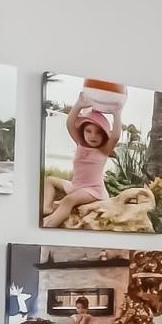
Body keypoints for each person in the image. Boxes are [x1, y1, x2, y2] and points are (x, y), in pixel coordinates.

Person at [42, 91, 120, 228]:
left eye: (98, 132)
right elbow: (70, 124)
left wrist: (116, 113)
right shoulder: (80, 143)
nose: (93, 136)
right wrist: (79, 104)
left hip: (93, 191)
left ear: (103, 136)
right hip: (76, 186)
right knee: (50, 180)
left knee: (68, 200)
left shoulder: (103, 150)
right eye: (88, 131)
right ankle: (46, 208)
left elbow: (115, 137)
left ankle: (48, 225)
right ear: (83, 132)